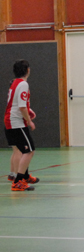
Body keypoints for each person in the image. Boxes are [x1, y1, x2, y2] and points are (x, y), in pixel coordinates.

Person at [4, 60, 39, 191]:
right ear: (28, 70)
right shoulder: (23, 84)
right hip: (16, 123)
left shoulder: (14, 83)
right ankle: (18, 181)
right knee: (29, 151)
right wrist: (29, 121)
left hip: (11, 121)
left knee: (23, 150)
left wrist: (28, 112)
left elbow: (16, 103)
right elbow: (22, 106)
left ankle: (24, 176)